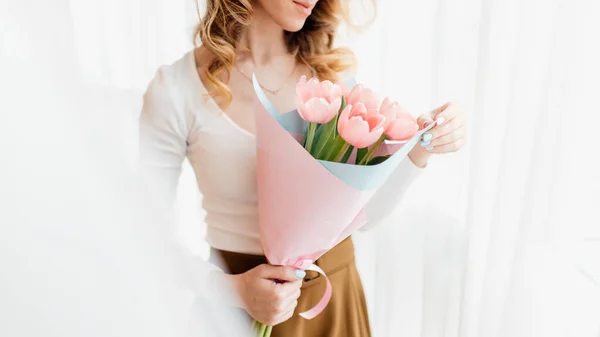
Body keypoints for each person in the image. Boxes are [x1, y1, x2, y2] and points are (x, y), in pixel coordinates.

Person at [139, 0, 467, 336]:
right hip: (231, 316)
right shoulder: (175, 90)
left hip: (334, 300)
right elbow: (142, 240)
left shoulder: (330, 77)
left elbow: (362, 219)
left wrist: (420, 152)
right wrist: (235, 291)